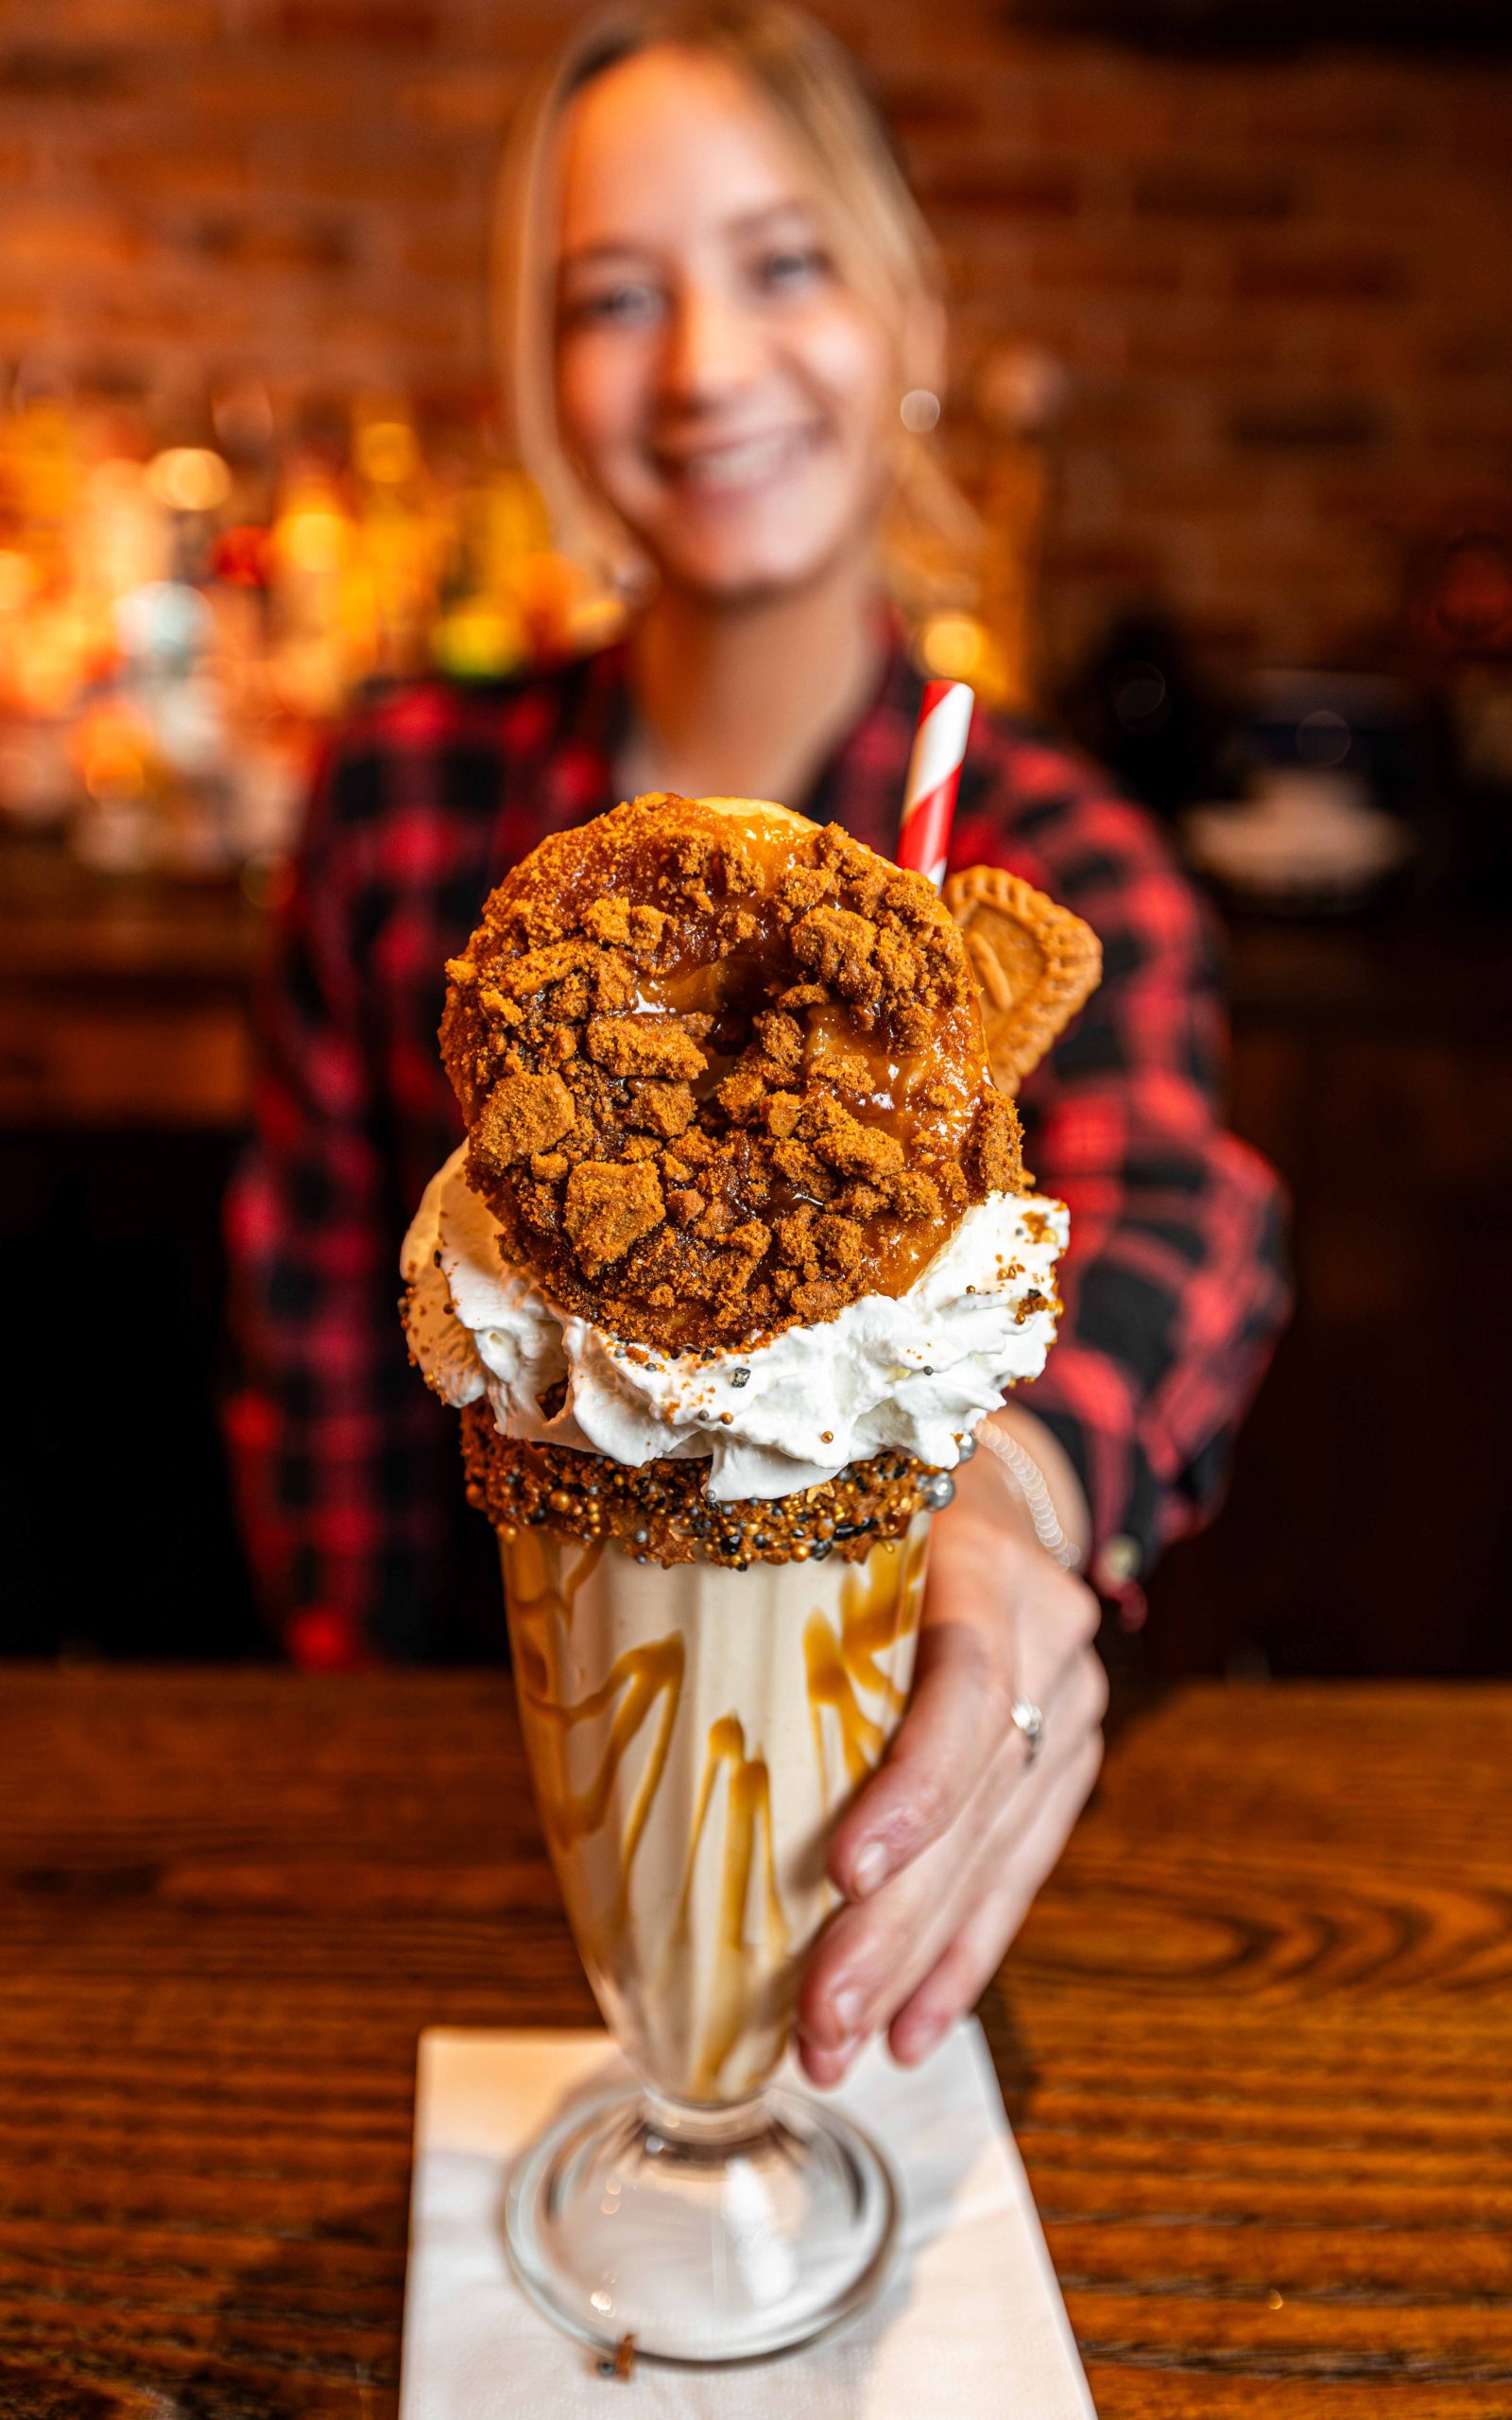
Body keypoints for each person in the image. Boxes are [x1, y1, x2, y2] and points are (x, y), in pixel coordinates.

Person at [228, 1, 1288, 2085]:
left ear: (899, 302)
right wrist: (355, 1759)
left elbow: (1183, 1214)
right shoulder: (405, 808)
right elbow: (319, 1384)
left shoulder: (1045, 857)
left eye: (781, 264)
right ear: (545, 375)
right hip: (445, 1860)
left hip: (855, 1826)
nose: (706, 362)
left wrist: (1018, 1497)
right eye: (617, 297)